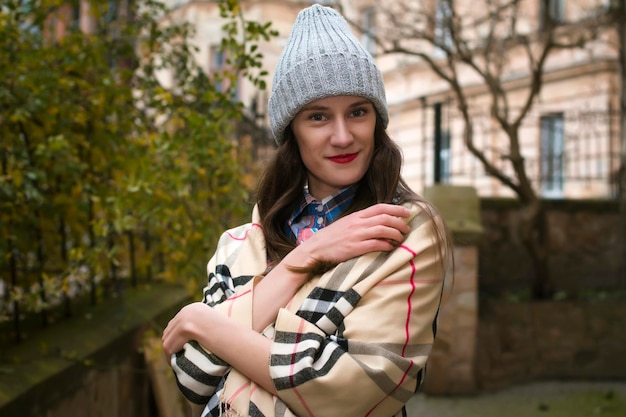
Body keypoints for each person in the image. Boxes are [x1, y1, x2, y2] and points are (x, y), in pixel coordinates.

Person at [162, 4, 453, 417]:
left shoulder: (405, 231)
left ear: (377, 120)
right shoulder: (240, 243)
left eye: (358, 111)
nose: (342, 135)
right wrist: (305, 257)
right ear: (291, 131)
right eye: (318, 116)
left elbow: (353, 392)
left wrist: (206, 322)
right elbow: (192, 376)